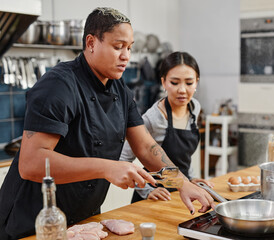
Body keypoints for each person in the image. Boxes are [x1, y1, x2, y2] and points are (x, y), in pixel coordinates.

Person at [0, 7, 214, 239]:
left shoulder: (120, 90)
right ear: (91, 42)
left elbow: (145, 147)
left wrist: (182, 183)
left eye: (130, 48)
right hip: (33, 221)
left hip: (84, 219)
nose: (126, 56)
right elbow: (31, 163)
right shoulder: (58, 85)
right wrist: (107, 167)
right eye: (118, 46)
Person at [120, 51, 214, 202]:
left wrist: (190, 180)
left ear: (197, 82)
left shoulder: (194, 108)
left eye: (189, 83)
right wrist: (146, 190)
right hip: (157, 197)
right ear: (163, 82)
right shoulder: (153, 118)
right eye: (175, 83)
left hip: (182, 193)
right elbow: (123, 160)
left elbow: (184, 157)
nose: (182, 90)